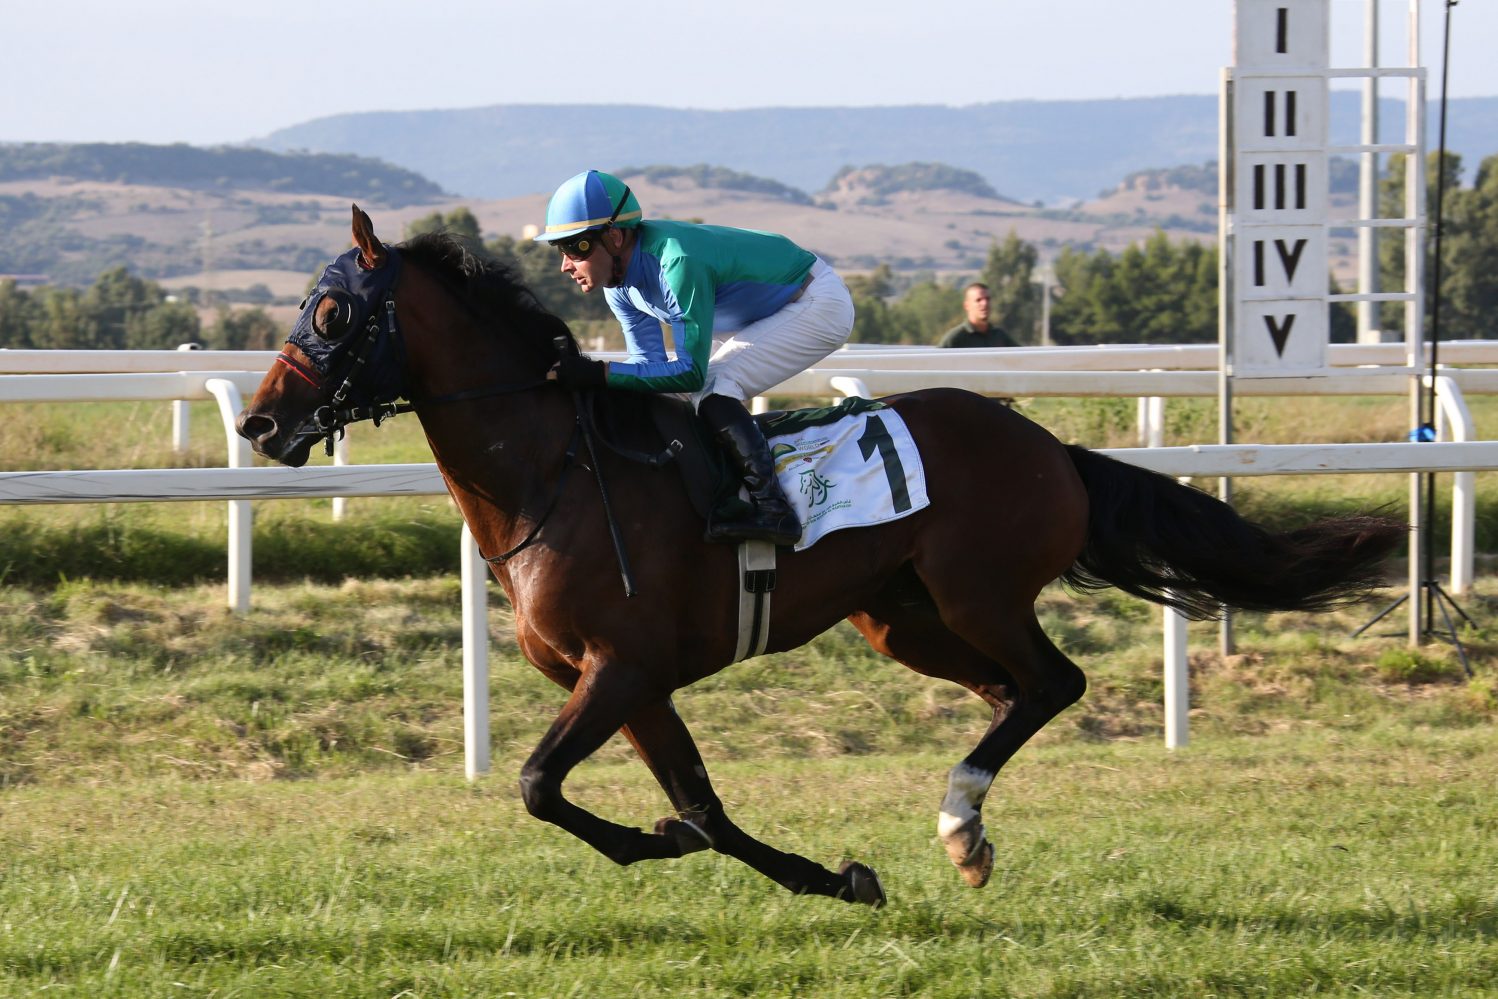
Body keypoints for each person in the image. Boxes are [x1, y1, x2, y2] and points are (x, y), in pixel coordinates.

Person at [535, 169, 855, 546]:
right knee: (680, 396)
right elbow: (646, 366)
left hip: (817, 302)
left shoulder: (677, 262)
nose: (565, 265)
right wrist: (602, 378)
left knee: (712, 386)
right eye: (562, 250)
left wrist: (599, 373)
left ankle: (775, 511)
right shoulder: (618, 286)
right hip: (755, 317)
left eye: (576, 248)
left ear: (615, 236)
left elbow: (687, 373)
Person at [939, 283, 1019, 349]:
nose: (985, 304)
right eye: (978, 300)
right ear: (967, 306)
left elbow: (1023, 360)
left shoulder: (999, 336)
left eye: (987, 299)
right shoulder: (956, 338)